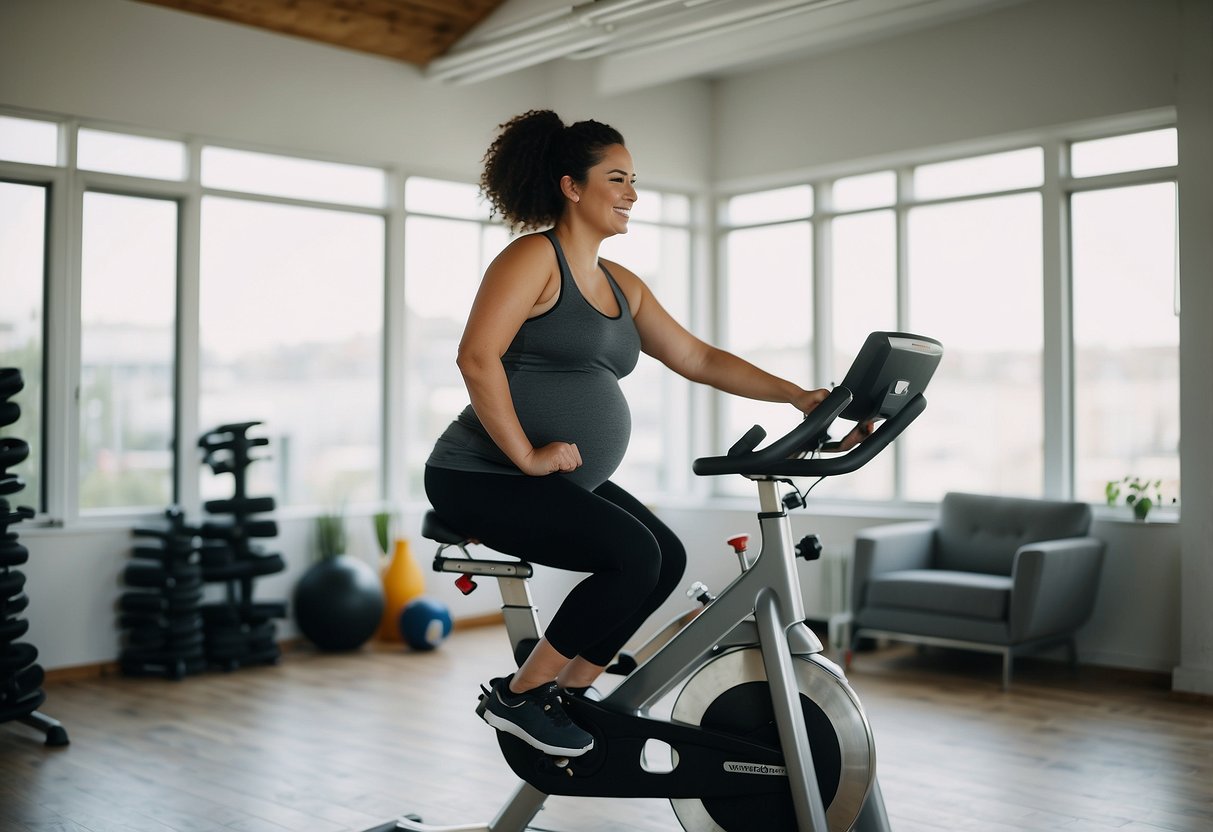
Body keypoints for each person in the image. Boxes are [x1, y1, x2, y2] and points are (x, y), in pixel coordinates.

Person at [424, 109, 868, 758]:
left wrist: (799, 396)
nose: (632, 192)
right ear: (571, 187)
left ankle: (569, 694)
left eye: (634, 179)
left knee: (664, 557)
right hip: (480, 475)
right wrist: (523, 452)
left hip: (556, 478)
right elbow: (475, 357)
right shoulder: (532, 258)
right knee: (630, 557)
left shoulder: (621, 286)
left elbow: (697, 358)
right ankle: (519, 697)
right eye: (617, 178)